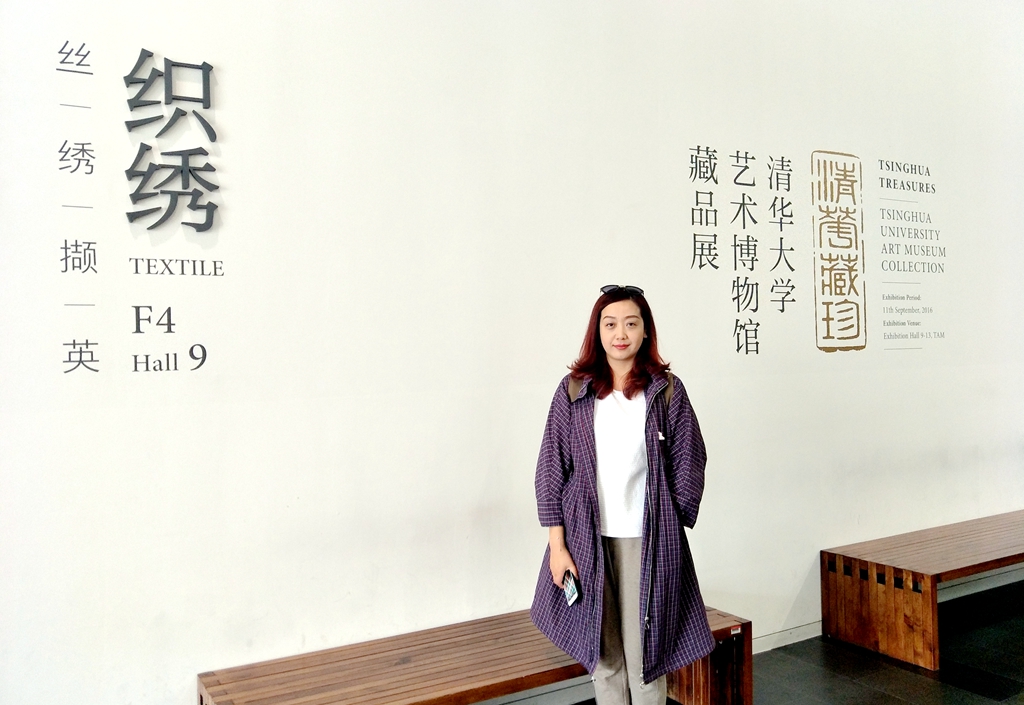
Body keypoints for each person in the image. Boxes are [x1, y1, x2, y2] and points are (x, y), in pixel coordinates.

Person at [530, 285, 714, 705]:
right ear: (597, 331)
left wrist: (672, 519)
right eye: (610, 324)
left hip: (645, 540)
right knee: (604, 658)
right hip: (585, 539)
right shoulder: (574, 391)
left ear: (645, 331)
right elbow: (550, 468)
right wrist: (557, 547)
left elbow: (690, 457)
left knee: (646, 660)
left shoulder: (665, 390)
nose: (620, 333)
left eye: (631, 323)